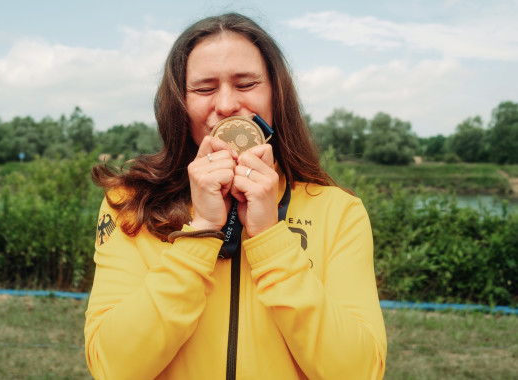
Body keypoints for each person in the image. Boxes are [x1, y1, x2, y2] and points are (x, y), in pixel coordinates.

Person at [84, 12, 386, 380]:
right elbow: (112, 368)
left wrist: (270, 239)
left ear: (276, 94)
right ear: (179, 103)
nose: (226, 105)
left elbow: (359, 372)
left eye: (246, 84)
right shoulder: (130, 204)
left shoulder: (339, 212)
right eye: (204, 88)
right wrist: (201, 233)